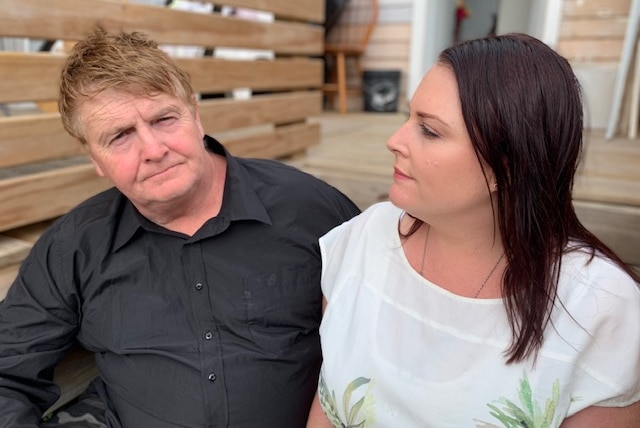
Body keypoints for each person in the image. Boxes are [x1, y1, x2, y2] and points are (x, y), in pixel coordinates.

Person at [0, 28, 360, 427]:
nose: (153, 150)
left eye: (164, 119)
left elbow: (387, 340)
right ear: (95, 159)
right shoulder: (73, 247)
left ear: (196, 115)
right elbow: (6, 373)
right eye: (119, 136)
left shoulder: (310, 210)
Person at [306, 33, 640, 427]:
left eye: (429, 130)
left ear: (509, 165)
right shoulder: (363, 239)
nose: (393, 140)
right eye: (408, 118)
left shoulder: (598, 307)